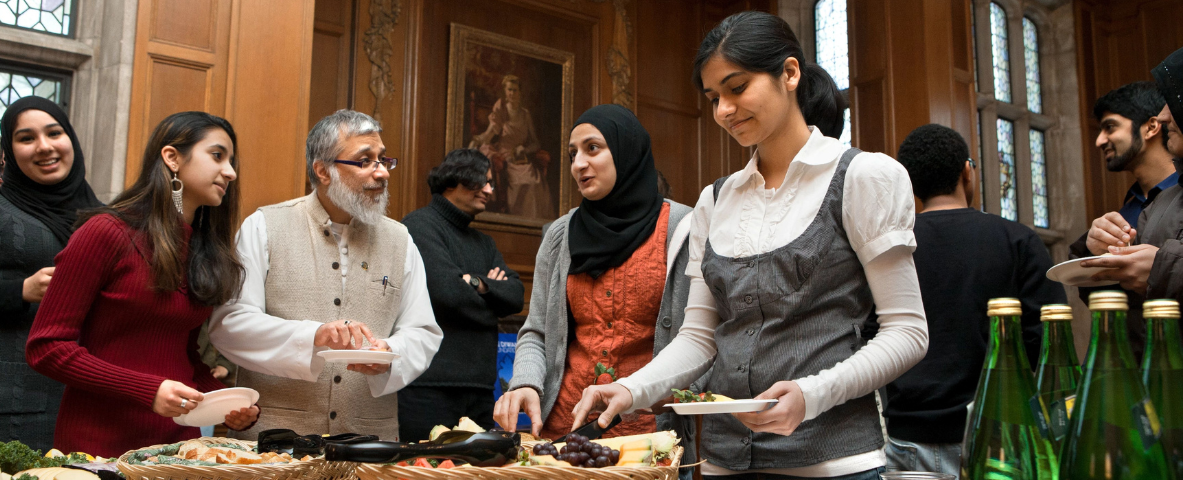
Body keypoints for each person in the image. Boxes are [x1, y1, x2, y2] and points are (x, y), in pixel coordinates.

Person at [572, 12, 929, 480]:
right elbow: (698, 338)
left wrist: (811, 395)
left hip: (833, 463)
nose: (723, 110)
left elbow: (907, 331)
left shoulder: (863, 176)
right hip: (723, 463)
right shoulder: (715, 199)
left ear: (790, 73)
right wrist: (630, 389)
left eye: (737, 88)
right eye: (713, 98)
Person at [25, 111, 258, 457]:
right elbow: (46, 348)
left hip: (179, 449)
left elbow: (183, 356)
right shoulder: (105, 232)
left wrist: (226, 402)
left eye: (231, 161)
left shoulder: (203, 247)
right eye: (217, 155)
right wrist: (147, 390)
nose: (230, 172)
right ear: (172, 158)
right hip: (99, 446)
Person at [207, 109, 443, 442]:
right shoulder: (264, 227)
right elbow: (230, 323)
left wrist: (389, 354)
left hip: (370, 444)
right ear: (323, 171)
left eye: (383, 160)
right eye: (365, 161)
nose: (381, 173)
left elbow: (423, 331)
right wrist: (314, 335)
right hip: (276, 445)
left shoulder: (400, 240)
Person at [494, 104, 699, 473]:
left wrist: (677, 395)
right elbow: (537, 331)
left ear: (626, 150)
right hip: (565, 436)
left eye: (592, 148)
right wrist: (524, 383)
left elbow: (701, 338)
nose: (578, 164)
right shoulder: (560, 235)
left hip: (650, 440)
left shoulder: (684, 228)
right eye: (573, 154)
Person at [885, 124, 1067, 476]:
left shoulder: (892, 248)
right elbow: (1048, 342)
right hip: (998, 434)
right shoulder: (1018, 240)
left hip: (908, 433)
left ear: (911, 184)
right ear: (966, 172)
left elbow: (870, 335)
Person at [0, 97, 102, 451]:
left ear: (71, 140)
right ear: (9, 153)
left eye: (54, 133)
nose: (44, 146)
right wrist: (21, 289)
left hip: (92, 400)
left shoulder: (106, 218)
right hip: (5, 404)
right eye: (26, 138)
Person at [397, 148, 525, 442]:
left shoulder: (485, 242)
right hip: (428, 390)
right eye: (483, 181)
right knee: (424, 468)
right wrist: (492, 303)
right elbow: (448, 294)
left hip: (481, 392)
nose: (490, 190)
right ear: (455, 179)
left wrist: (476, 283)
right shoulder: (418, 226)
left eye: (491, 183)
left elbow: (516, 296)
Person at [1084, 46, 1183, 313]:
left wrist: (1163, 268)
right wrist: (1091, 248)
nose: (1099, 140)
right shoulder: (1140, 205)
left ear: (1151, 127)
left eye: (1110, 127)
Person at [469, 75, 554, 219]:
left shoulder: (525, 114)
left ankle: (531, 223)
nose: (512, 93)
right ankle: (516, 219)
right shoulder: (501, 110)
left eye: (515, 90)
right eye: (509, 90)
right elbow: (489, 134)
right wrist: (478, 140)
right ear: (505, 91)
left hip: (520, 157)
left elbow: (535, 143)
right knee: (518, 182)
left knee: (534, 181)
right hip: (504, 155)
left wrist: (524, 149)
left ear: (520, 92)